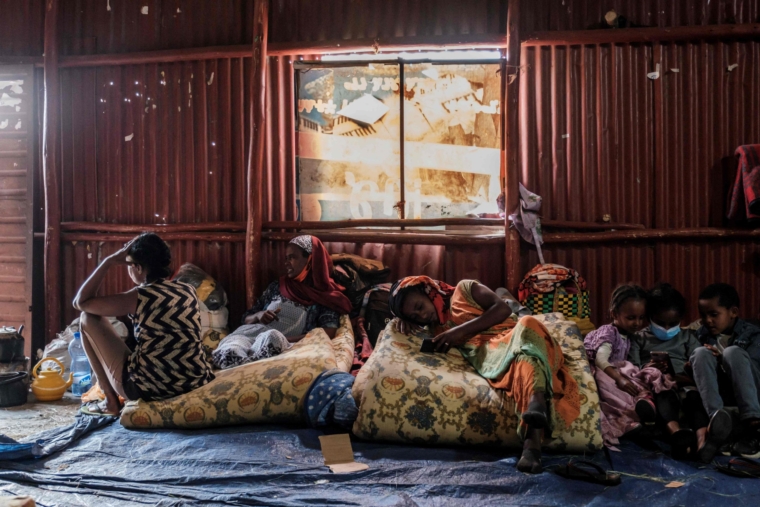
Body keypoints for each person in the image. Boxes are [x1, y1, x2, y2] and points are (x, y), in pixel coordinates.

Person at [388, 276, 580, 474]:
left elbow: (503, 309)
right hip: (491, 353)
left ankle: (532, 441)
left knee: (528, 330)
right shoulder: (437, 326)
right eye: (414, 316)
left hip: (517, 334)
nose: (421, 316)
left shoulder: (465, 289)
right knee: (522, 361)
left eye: (419, 307)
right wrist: (402, 320)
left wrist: (458, 332)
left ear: (428, 291)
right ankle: (535, 416)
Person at [72, 233, 214, 416]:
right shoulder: (187, 290)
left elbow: (80, 302)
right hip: (194, 381)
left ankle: (110, 401)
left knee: (87, 318)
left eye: (129, 265)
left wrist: (108, 262)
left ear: (138, 267)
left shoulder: (141, 295)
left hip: (149, 388)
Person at [212, 235, 352, 369]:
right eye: (286, 258)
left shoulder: (326, 295)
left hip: (280, 341)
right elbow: (246, 318)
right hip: (248, 335)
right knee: (232, 349)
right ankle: (239, 361)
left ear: (310, 259)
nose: (286, 263)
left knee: (272, 337)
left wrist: (287, 340)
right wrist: (258, 315)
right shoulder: (278, 286)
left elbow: (328, 332)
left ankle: (250, 362)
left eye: (292, 258)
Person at [583, 285, 676, 448]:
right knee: (616, 396)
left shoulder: (631, 336)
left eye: (641, 318)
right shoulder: (608, 333)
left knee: (649, 374)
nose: (637, 323)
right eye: (631, 318)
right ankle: (628, 423)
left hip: (623, 372)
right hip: (607, 373)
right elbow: (600, 360)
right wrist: (620, 379)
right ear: (614, 314)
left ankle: (645, 406)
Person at [629, 283, 701, 457]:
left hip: (684, 382)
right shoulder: (639, 338)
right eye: (661, 323)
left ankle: (701, 439)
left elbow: (700, 365)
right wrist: (648, 370)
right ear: (650, 317)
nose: (667, 329)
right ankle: (676, 433)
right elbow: (632, 368)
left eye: (673, 323)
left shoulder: (688, 337)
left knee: (694, 397)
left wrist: (687, 374)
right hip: (656, 384)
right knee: (662, 393)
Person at [690, 283, 760, 461]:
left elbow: (750, 370)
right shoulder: (701, 335)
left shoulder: (753, 334)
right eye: (703, 315)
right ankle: (718, 421)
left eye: (714, 314)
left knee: (732, 352)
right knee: (699, 353)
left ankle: (754, 426)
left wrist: (722, 359)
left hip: (751, 391)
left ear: (733, 312)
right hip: (724, 391)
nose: (708, 320)